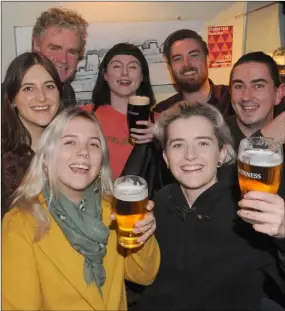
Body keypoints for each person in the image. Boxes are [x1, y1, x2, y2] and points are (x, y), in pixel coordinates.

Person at [2, 108, 160, 311]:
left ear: (100, 162)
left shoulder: (114, 211)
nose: (83, 151)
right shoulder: (21, 224)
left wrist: (143, 236)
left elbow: (144, 275)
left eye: (93, 144)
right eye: (69, 142)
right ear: (46, 160)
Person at [134, 102, 285, 311]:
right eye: (178, 144)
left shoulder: (249, 209)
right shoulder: (159, 202)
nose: (190, 155)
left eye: (203, 143)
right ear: (166, 158)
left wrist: (283, 236)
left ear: (222, 154)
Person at [1, 51, 63, 219]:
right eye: (28, 88)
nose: (42, 97)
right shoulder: (5, 160)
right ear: (12, 99)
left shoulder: (72, 148)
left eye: (49, 86)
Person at [82, 43, 156, 180]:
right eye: (116, 66)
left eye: (133, 67)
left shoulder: (158, 122)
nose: (124, 73)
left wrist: (161, 138)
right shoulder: (84, 116)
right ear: (105, 74)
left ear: (141, 77)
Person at [221, 52, 285, 199]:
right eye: (238, 86)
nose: (246, 97)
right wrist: (265, 139)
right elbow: (220, 191)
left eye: (258, 86)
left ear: (279, 93)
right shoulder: (213, 134)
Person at [153, 29, 232, 116]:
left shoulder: (232, 99)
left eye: (193, 55)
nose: (186, 64)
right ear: (170, 68)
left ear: (207, 59)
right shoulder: (162, 112)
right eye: (178, 59)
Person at [32, 7, 88, 107]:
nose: (63, 60)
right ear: (36, 45)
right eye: (54, 48)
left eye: (72, 52)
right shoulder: (7, 96)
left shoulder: (67, 92)